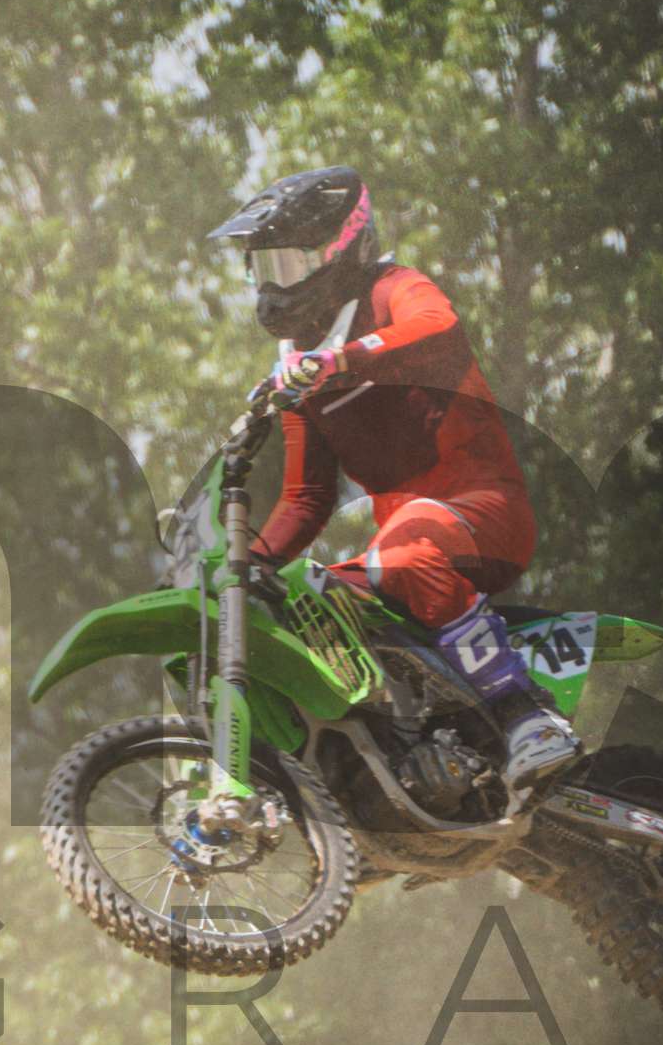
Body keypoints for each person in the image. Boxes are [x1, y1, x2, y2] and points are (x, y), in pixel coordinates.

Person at [208, 165, 581, 786]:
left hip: (483, 513)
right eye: (262, 269)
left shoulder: (393, 290)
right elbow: (307, 498)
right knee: (311, 602)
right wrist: (248, 566)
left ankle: (527, 716)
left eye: (288, 266)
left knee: (399, 557)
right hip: (402, 545)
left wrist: (342, 360)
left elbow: (439, 329)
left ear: (341, 249)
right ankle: (399, 759)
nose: (273, 288)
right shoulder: (300, 365)